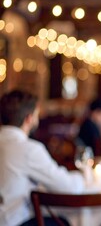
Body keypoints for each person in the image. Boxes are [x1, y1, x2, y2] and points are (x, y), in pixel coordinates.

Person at [0, 89, 84, 226]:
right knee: (64, 222)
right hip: (14, 222)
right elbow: (69, 187)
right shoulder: (29, 149)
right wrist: (84, 177)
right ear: (29, 118)